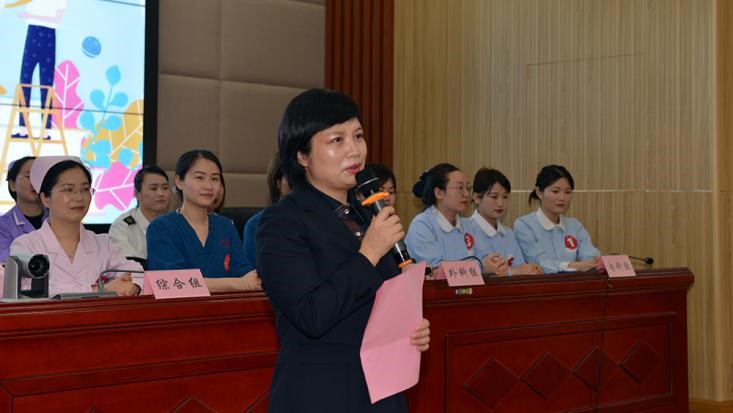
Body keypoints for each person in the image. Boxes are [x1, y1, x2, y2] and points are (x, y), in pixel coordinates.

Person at [256, 89, 430, 412]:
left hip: (382, 390)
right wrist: (369, 253)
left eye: (358, 136)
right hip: (322, 393)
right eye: (337, 139)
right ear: (302, 156)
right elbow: (311, 315)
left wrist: (409, 329)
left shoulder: (367, 213)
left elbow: (383, 299)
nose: (355, 150)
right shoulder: (281, 222)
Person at [9, 156, 142, 296]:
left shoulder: (103, 244)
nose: (79, 197)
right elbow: (28, 290)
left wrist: (132, 285)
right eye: (68, 189)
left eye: (85, 189)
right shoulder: (26, 245)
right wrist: (100, 290)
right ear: (45, 198)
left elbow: (135, 272)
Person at [146, 149, 261, 292]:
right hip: (181, 306)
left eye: (215, 179)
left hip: (226, 305)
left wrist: (254, 278)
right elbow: (173, 282)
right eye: (200, 178)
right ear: (179, 182)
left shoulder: (225, 226)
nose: (209, 186)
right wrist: (235, 283)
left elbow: (243, 270)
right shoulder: (161, 228)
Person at [405, 163, 508, 274]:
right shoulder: (422, 225)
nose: (466, 194)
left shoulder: (469, 225)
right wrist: (481, 268)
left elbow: (484, 257)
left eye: (467, 188)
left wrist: (495, 264)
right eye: (460, 188)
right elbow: (435, 272)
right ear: (439, 193)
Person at [514, 164, 601, 273]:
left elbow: (590, 254)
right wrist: (575, 265)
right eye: (555, 191)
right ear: (539, 192)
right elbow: (540, 262)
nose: (562, 198)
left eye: (567, 192)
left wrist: (593, 261)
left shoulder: (574, 225)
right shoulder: (524, 225)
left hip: (575, 282)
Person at [464, 168, 543, 276]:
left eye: (505, 197)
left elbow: (521, 268)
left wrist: (530, 270)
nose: (501, 203)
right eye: (494, 197)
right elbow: (461, 274)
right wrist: (513, 272)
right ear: (477, 198)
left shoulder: (509, 234)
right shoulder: (464, 230)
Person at [241, 152, 291, 274]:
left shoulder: (320, 220)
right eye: (292, 178)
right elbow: (252, 275)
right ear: (277, 182)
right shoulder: (256, 225)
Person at [108, 165, 170, 262]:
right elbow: (126, 264)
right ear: (137, 194)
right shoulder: (121, 226)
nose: (161, 193)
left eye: (165, 188)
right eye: (153, 188)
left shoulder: (173, 223)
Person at [0, 156, 48, 261]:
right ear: (12, 185)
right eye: (28, 176)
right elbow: (7, 264)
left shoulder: (60, 219)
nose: (35, 182)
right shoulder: (2, 226)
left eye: (40, 176)